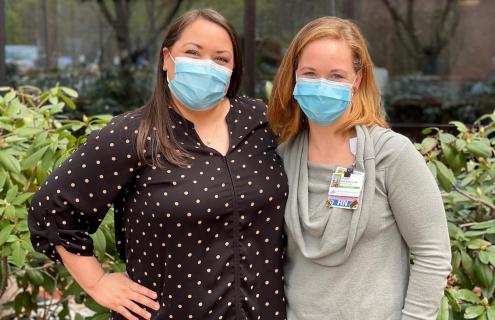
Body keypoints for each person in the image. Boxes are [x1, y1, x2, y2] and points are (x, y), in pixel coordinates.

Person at [28, 9, 288, 320]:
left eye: (221, 59)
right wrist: (97, 282)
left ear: (234, 69)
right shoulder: (132, 135)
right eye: (193, 53)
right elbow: (53, 210)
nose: (207, 66)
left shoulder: (263, 123)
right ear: (167, 58)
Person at [268, 16, 451, 320]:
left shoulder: (390, 155)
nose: (322, 85)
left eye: (336, 75)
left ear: (357, 80)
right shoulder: (283, 156)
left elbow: (433, 254)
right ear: (294, 77)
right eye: (310, 73)